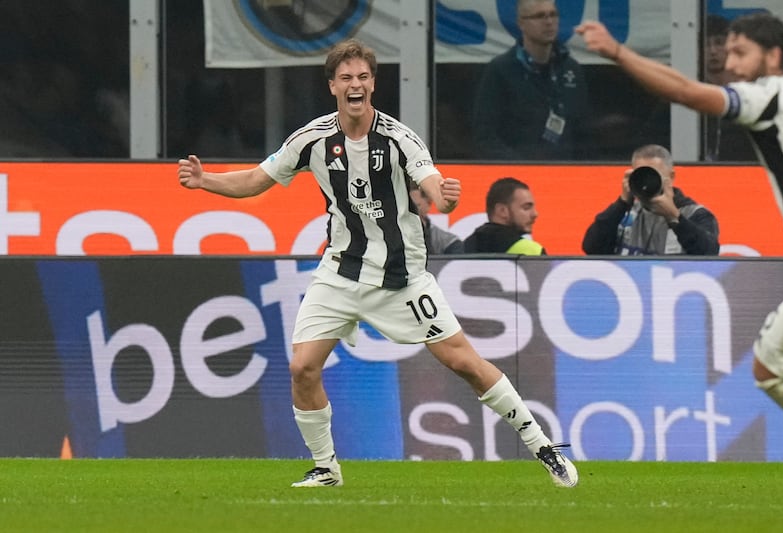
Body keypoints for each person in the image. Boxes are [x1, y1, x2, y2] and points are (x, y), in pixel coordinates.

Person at [178, 39, 578, 486]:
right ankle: (327, 469)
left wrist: (443, 196)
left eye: (363, 77)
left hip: (401, 280)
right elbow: (255, 180)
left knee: (464, 363)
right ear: (332, 86)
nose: (355, 85)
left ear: (373, 84)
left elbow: (431, 184)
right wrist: (205, 180)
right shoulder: (311, 139)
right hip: (340, 272)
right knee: (302, 367)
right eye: (346, 77)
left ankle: (543, 447)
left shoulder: (399, 139)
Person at [578, 12, 783, 421]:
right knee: (768, 368)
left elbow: (686, 91)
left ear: (773, 56)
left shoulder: (770, 95)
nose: (729, 64)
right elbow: (591, 245)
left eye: (740, 52)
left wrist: (618, 53)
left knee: (769, 369)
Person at [472, 0, 589, 161]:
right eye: (539, 16)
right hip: (518, 172)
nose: (548, 22)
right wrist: (519, 167)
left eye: (553, 15)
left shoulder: (570, 69)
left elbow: (582, 130)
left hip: (566, 172)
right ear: (521, 23)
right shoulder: (501, 69)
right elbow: (485, 135)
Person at [582, 144, 720, 256]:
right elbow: (592, 248)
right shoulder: (623, 213)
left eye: (653, 175)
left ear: (671, 177)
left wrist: (674, 217)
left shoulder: (695, 214)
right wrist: (622, 203)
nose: (647, 183)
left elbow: (709, 255)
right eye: (641, 175)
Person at [702, 15, 757, 161]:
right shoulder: (691, 94)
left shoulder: (750, 92)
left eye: (719, 43)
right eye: (705, 44)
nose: (712, 51)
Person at [464, 177, 546, 255]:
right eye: (526, 208)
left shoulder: (462, 249)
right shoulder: (532, 252)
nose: (535, 214)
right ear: (502, 211)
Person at [409, 183, 464, 254]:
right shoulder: (394, 238)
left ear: (428, 205)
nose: (411, 211)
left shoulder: (449, 243)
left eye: (416, 206)